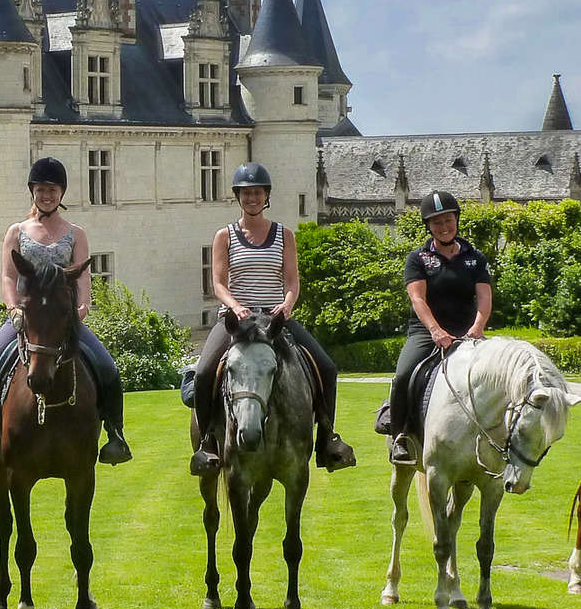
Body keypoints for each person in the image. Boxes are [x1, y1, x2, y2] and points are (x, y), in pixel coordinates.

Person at [0, 158, 130, 466]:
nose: (47, 195)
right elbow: (9, 276)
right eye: (41, 190)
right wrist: (13, 310)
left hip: (64, 319)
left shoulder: (76, 233)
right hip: (26, 318)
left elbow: (84, 276)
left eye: (53, 189)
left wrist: (82, 307)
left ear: (61, 193)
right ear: (32, 192)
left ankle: (115, 434)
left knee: (107, 368)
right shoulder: (17, 231)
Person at [190, 163, 355, 476]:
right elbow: (219, 284)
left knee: (327, 368)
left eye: (257, 192)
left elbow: (292, 281)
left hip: (274, 320)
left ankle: (326, 439)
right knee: (203, 372)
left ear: (266, 196)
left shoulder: (284, 235)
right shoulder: (224, 236)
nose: (251, 198)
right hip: (237, 322)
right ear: (238, 196)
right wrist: (236, 307)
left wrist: (287, 305)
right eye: (246, 193)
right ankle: (209, 441)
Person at [375, 191, 493, 465]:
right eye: (437, 222)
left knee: (499, 376)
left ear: (456, 220)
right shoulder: (417, 258)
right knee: (404, 374)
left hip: (467, 334)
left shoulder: (475, 258)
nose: (444, 227)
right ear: (428, 226)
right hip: (427, 333)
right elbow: (417, 298)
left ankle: (498, 436)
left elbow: (484, 297)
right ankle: (401, 434)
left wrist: (477, 328)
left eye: (448, 220)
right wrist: (435, 330)